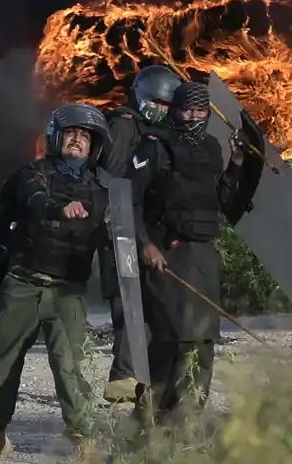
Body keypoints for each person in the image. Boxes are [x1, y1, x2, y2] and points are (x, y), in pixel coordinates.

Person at [0, 103, 111, 463]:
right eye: (71, 133)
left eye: (84, 136)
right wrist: (59, 209)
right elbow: (34, 199)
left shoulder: (101, 191)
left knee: (69, 364)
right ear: (57, 137)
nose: (77, 140)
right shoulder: (32, 174)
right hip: (24, 283)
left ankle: (83, 438)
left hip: (67, 293)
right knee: (3, 362)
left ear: (94, 146)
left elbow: (112, 232)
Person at [129, 80, 247, 425]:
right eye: (187, 110)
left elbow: (222, 201)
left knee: (203, 339)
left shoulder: (211, 148)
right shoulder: (153, 147)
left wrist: (237, 161)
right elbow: (128, 201)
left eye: (200, 111)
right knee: (172, 339)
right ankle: (147, 423)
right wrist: (145, 244)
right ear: (174, 111)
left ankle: (186, 424)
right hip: (166, 253)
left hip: (202, 254)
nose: (193, 117)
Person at [98, 64, 181, 403]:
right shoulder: (125, 125)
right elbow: (113, 179)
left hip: (141, 226)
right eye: (155, 103)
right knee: (127, 303)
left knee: (143, 303)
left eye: (166, 105)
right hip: (120, 227)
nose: (160, 110)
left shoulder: (158, 133)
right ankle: (123, 378)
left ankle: (138, 377)